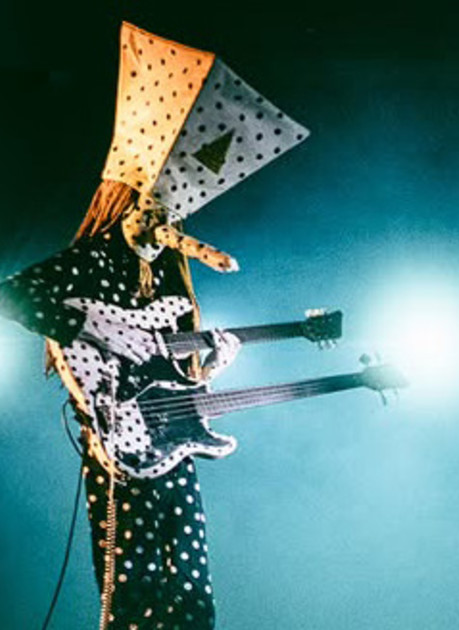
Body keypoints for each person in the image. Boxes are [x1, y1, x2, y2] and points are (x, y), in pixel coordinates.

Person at [0, 22, 308, 629]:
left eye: (169, 212)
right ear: (127, 202)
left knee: (193, 595)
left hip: (174, 443)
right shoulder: (94, 258)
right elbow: (13, 294)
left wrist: (209, 363)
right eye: (150, 207)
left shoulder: (170, 279)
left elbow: (172, 373)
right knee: (134, 591)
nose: (159, 222)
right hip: (117, 447)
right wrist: (90, 331)